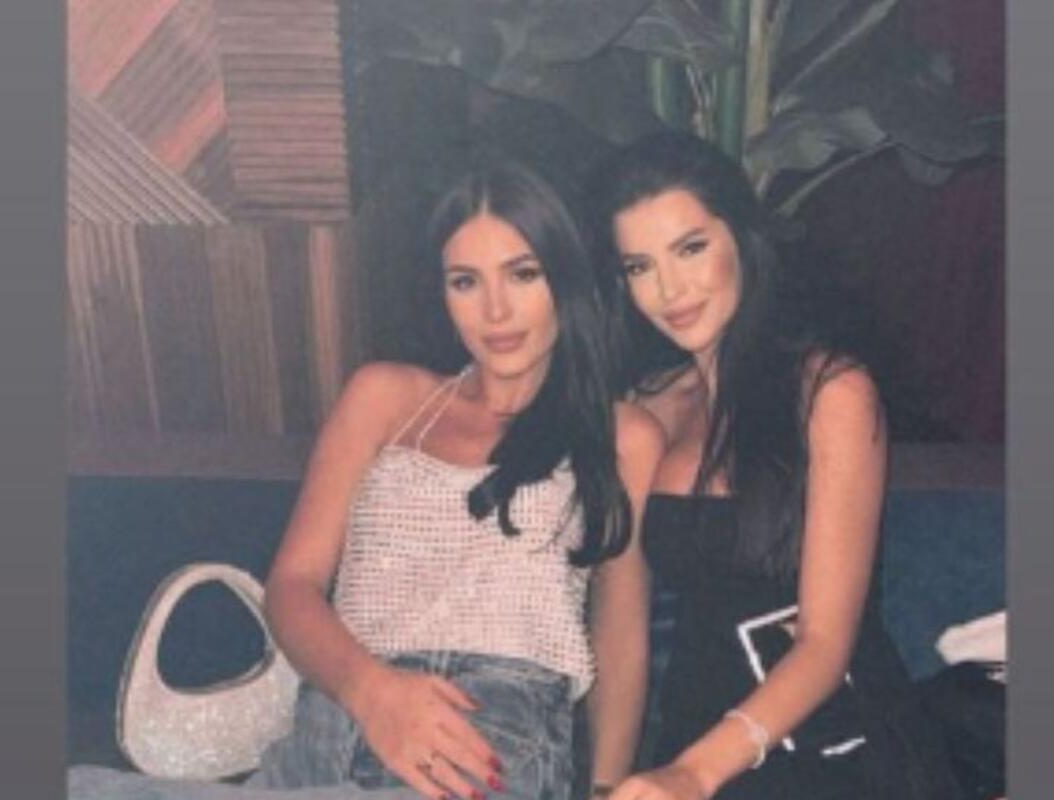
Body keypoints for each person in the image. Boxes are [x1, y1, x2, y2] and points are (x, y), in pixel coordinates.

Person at [69, 156, 662, 800]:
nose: (496, 310)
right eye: (465, 282)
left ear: (566, 278)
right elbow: (292, 587)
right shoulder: (384, 397)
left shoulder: (619, 434)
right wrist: (373, 692)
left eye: (523, 274)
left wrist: (607, 791)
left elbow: (620, 636)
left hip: (481, 747)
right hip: (330, 726)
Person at [584, 132, 963, 800]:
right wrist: (604, 785)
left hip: (830, 740)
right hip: (693, 734)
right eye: (640, 266)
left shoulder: (830, 392)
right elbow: (620, 635)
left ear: (741, 238)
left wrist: (696, 772)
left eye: (690, 248)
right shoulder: (645, 414)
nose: (669, 289)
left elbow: (824, 643)